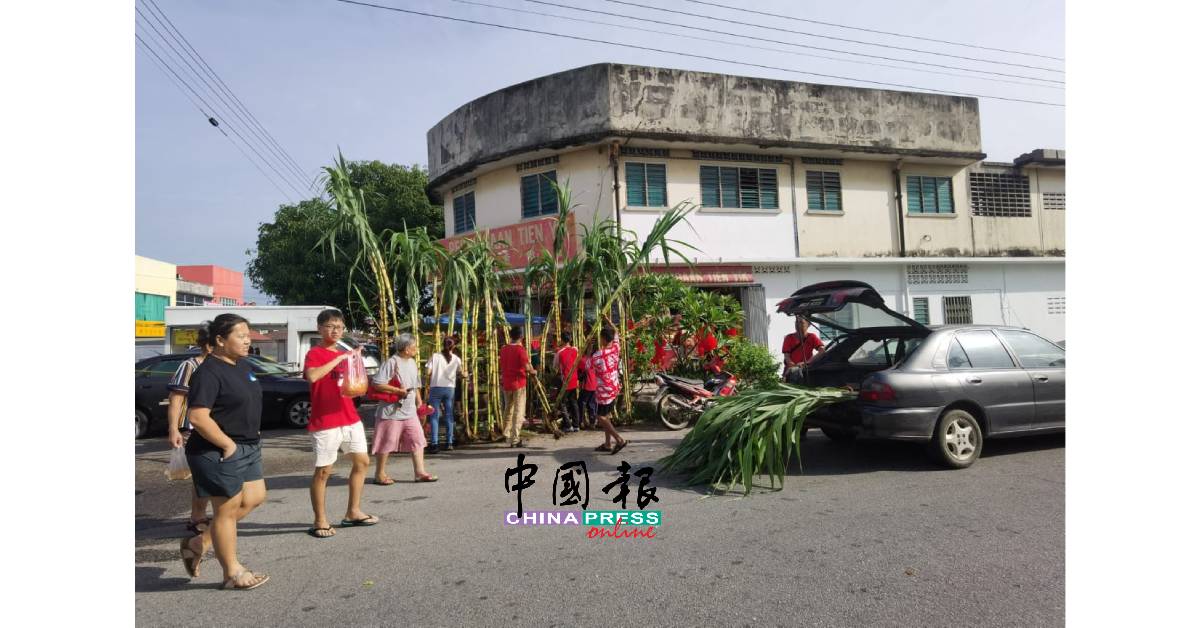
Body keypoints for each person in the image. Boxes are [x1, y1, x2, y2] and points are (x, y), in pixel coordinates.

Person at [179, 314, 269, 590]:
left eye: (248, 334)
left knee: (255, 497)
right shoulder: (208, 372)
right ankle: (231, 573)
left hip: (249, 445)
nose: (247, 339)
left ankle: (200, 541)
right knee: (226, 511)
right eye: (240, 335)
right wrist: (227, 445)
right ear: (219, 340)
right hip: (217, 450)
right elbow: (198, 416)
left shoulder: (242, 366)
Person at [302, 309, 377, 540]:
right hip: (326, 420)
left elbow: (355, 384)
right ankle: (319, 520)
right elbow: (312, 376)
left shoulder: (346, 352)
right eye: (330, 326)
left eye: (339, 327)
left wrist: (356, 363)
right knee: (324, 471)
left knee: (362, 461)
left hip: (349, 416)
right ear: (319, 328)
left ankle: (353, 512)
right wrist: (337, 359)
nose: (335, 331)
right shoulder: (315, 353)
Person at [371, 333, 438, 482]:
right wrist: (397, 391)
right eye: (414, 346)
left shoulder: (412, 362)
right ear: (406, 349)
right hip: (391, 412)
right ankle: (379, 474)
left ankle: (420, 472)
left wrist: (419, 403)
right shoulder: (391, 362)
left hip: (409, 412)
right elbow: (377, 383)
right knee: (386, 442)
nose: (416, 349)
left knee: (418, 439)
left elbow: (416, 386)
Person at [166, 329, 213, 538]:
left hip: (214, 427)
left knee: (209, 474)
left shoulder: (220, 367)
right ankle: (197, 517)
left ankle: (203, 515)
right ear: (209, 345)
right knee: (201, 475)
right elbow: (176, 400)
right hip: (192, 427)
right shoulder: (190, 365)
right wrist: (173, 428)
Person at [589, 327, 629, 455]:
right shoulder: (616, 348)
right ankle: (607, 444)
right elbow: (616, 332)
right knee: (606, 416)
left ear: (603, 339)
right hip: (614, 387)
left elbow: (586, 366)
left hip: (604, 391)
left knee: (600, 417)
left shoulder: (596, 356)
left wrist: (588, 348)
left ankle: (619, 439)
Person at [426, 337, 464, 453]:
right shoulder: (457, 359)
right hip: (449, 389)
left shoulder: (435, 356)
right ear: (454, 346)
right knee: (449, 415)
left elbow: (427, 372)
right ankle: (449, 442)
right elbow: (461, 373)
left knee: (434, 415)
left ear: (443, 345)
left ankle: (434, 443)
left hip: (435, 388)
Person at [499, 325, 536, 447]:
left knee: (508, 408)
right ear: (521, 337)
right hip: (518, 383)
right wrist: (533, 371)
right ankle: (515, 438)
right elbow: (526, 367)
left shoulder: (504, 349)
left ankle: (505, 433)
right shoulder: (521, 350)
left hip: (506, 383)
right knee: (518, 411)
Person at [552, 331, 581, 432]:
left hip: (565, 380)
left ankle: (568, 425)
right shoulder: (576, 349)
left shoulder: (559, 352)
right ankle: (577, 425)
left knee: (562, 403)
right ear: (570, 340)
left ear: (562, 340)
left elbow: (554, 366)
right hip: (574, 379)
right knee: (573, 402)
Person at [782, 316, 826, 384]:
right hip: (791, 372)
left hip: (807, 371)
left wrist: (807, 363)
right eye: (796, 322)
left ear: (808, 325)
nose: (797, 325)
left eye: (801, 322)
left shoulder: (812, 337)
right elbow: (787, 357)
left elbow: (822, 351)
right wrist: (794, 366)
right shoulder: (789, 338)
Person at [577, 339, 599, 430]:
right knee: (592, 404)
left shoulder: (582, 360)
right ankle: (592, 422)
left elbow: (578, 372)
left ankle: (581, 421)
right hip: (594, 385)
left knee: (582, 403)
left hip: (586, 385)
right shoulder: (595, 360)